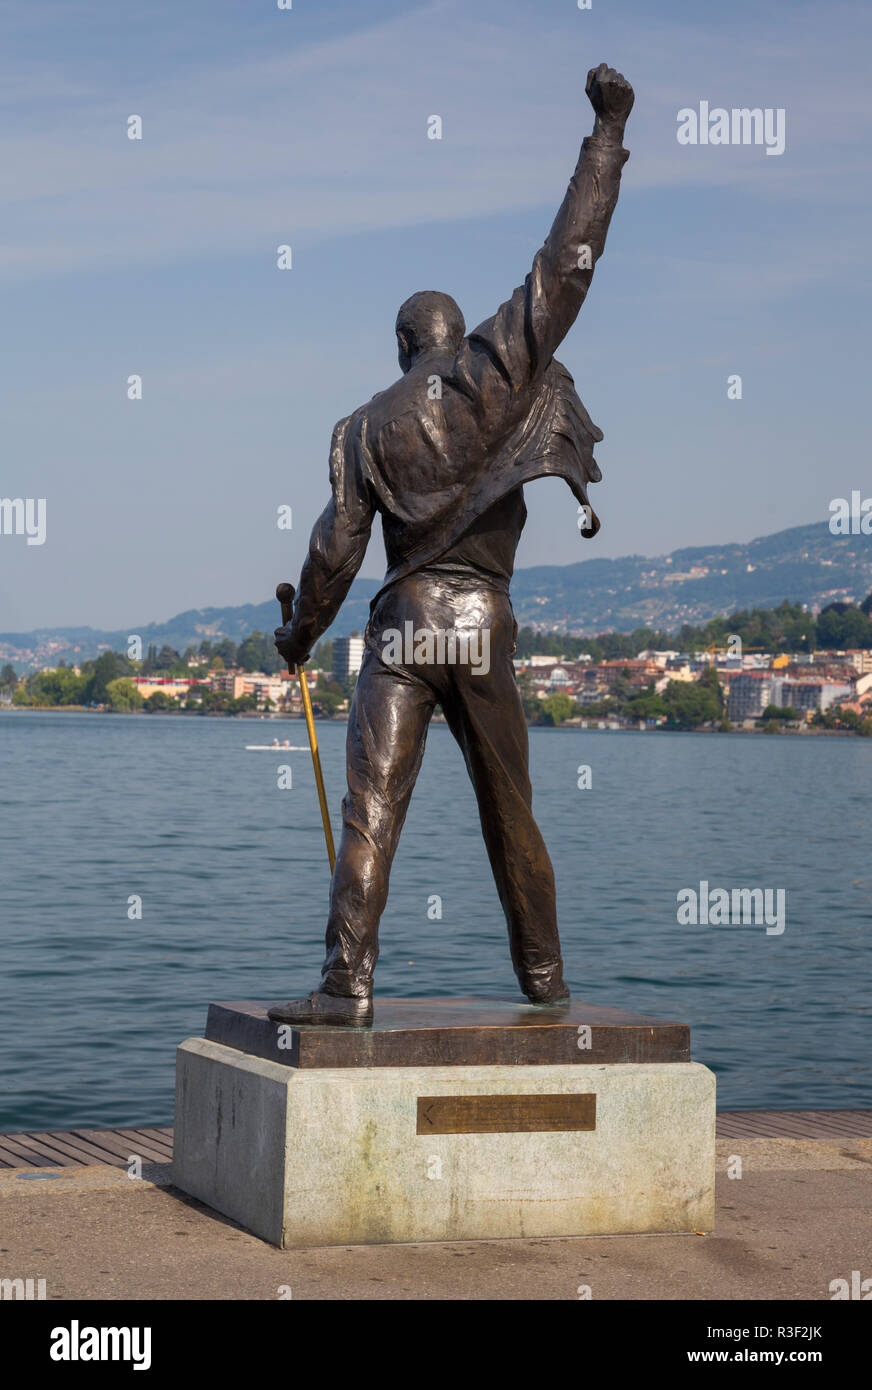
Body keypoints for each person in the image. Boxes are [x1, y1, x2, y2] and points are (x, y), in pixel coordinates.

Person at [272, 64, 634, 1025]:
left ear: (400, 345)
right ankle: (548, 989)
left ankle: (347, 985)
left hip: (401, 629)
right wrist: (606, 136)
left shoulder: (361, 427)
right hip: (480, 624)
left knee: (372, 811)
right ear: (451, 333)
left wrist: (299, 638)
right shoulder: (496, 373)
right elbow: (567, 263)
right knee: (509, 808)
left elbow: (333, 554)